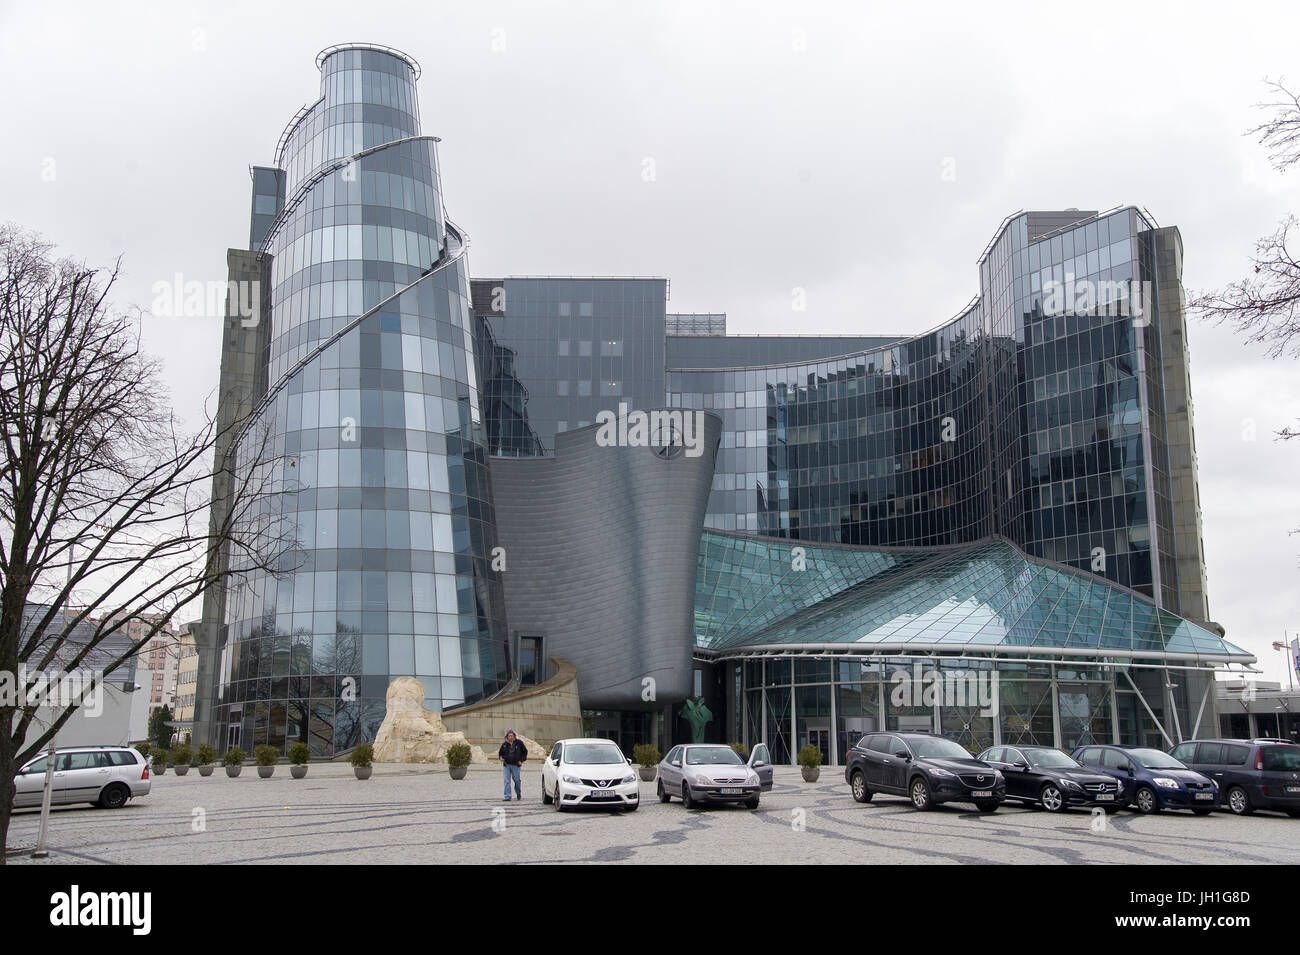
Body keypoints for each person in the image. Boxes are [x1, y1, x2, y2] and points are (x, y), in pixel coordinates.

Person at [499, 729, 527, 801]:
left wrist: (521, 760)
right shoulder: (504, 744)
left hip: (516, 765)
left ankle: (518, 793)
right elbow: (500, 753)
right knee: (507, 781)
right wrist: (501, 758)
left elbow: (525, 752)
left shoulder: (519, 743)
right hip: (506, 765)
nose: (510, 737)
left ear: (514, 736)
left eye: (512, 736)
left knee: (517, 780)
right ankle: (507, 796)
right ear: (507, 737)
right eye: (509, 736)